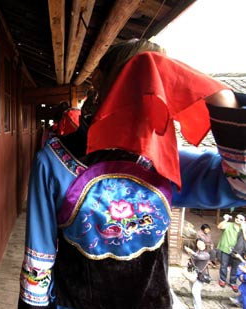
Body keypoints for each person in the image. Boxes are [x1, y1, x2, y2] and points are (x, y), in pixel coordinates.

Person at [18, 39, 246, 309]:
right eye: (136, 76)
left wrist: (222, 100)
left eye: (159, 78)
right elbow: (38, 264)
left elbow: (240, 186)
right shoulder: (55, 160)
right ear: (101, 82)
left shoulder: (167, 163)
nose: (147, 88)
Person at [218, 213, 246, 292]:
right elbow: (219, 227)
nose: (238, 219)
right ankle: (222, 279)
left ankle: (233, 282)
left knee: (235, 267)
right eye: (237, 217)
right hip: (226, 248)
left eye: (241, 219)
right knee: (224, 264)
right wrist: (225, 220)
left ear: (244, 221)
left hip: (238, 251)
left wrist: (243, 229)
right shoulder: (229, 224)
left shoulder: (244, 228)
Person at [184, 239, 211, 309]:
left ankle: (198, 307)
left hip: (200, 275)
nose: (200, 245)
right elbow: (193, 262)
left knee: (195, 291)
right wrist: (188, 269)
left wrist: (191, 252)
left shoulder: (207, 254)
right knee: (192, 288)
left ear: (204, 244)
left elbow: (199, 257)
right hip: (193, 272)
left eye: (201, 243)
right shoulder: (197, 252)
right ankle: (194, 303)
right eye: (198, 244)